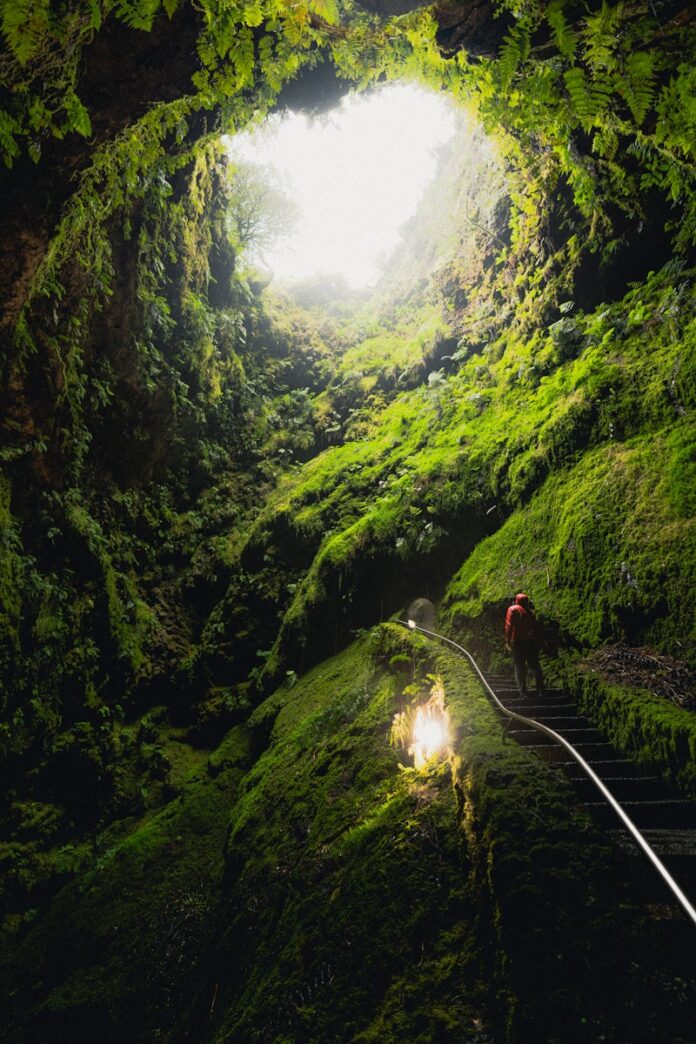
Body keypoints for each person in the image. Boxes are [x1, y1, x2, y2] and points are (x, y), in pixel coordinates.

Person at [504, 592, 545, 698]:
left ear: (516, 600)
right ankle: (541, 690)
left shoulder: (512, 609)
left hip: (517, 642)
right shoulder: (530, 612)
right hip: (530, 643)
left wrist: (508, 641)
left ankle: (523, 692)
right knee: (535, 665)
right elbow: (536, 629)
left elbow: (509, 626)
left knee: (519, 666)